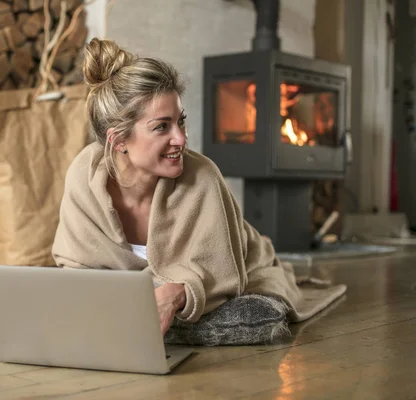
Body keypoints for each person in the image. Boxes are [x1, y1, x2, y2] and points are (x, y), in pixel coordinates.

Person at [52, 38, 344, 343]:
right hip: (138, 296)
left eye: (181, 121)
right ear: (118, 140)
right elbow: (75, 266)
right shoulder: (84, 176)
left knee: (254, 315)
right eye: (161, 127)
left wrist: (177, 293)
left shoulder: (203, 176)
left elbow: (225, 275)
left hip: (243, 266)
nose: (181, 138)